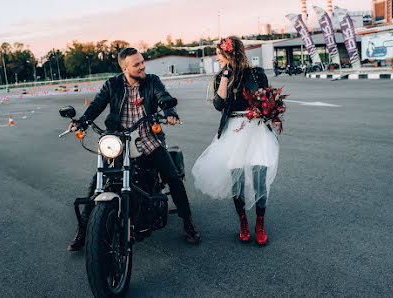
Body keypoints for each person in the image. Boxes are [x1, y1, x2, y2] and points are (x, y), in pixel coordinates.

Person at [67, 48, 200, 251]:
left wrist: (170, 111)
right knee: (98, 182)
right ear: (124, 68)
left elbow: (163, 96)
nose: (142, 66)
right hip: (120, 142)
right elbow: (96, 105)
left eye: (142, 62)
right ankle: (84, 230)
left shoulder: (152, 81)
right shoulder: (112, 84)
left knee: (173, 177)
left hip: (148, 139)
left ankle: (188, 221)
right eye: (137, 64)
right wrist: (82, 122)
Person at [191, 36, 281, 245]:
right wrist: (225, 75)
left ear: (228, 53)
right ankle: (243, 221)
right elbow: (219, 105)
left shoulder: (256, 74)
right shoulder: (220, 77)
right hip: (234, 130)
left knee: (260, 178)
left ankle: (260, 223)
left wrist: (265, 110)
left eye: (219, 53)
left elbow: (264, 98)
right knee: (237, 179)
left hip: (257, 129)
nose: (216, 56)